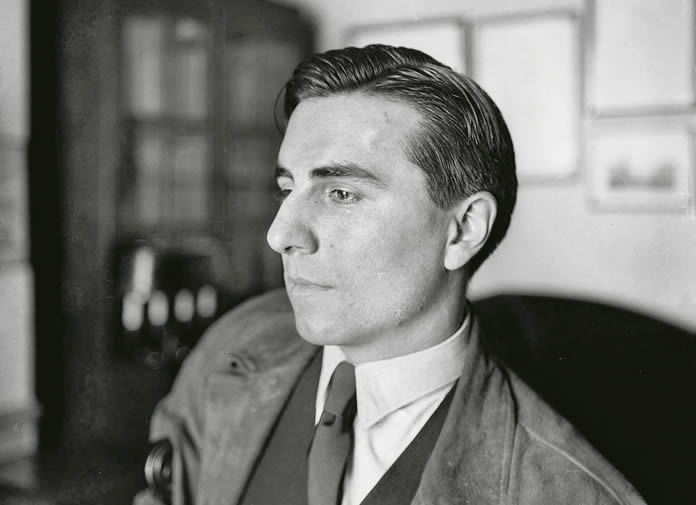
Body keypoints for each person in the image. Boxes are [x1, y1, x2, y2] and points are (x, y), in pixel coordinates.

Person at [135, 45, 645, 505]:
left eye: (341, 194)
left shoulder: (566, 490)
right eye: (287, 189)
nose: (280, 234)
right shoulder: (237, 342)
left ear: (463, 230)